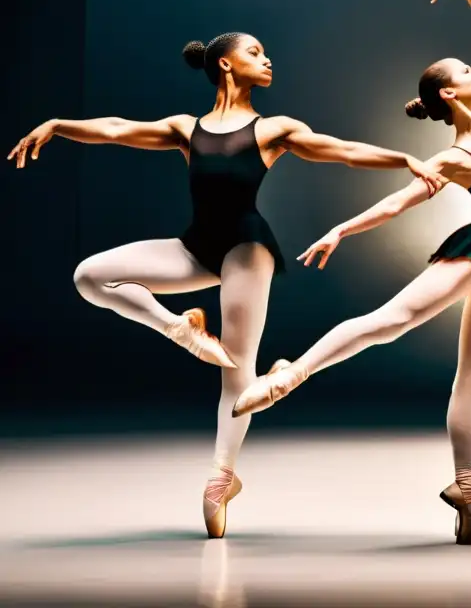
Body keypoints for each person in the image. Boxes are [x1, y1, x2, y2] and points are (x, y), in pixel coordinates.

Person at [7, 32, 444, 538]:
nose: (268, 58)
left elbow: (341, 150)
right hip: (196, 247)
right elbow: (115, 129)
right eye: (255, 52)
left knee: (237, 372)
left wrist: (404, 159)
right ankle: (179, 328)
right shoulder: (183, 128)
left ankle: (220, 477)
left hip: (245, 249)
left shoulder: (273, 129)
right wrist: (59, 125)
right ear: (225, 64)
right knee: (90, 275)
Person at [230, 0, 471, 546]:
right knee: (391, 322)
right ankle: (287, 379)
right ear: (450, 94)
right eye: (465, 72)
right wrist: (341, 230)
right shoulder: (455, 156)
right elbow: (398, 203)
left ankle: (466, 487)